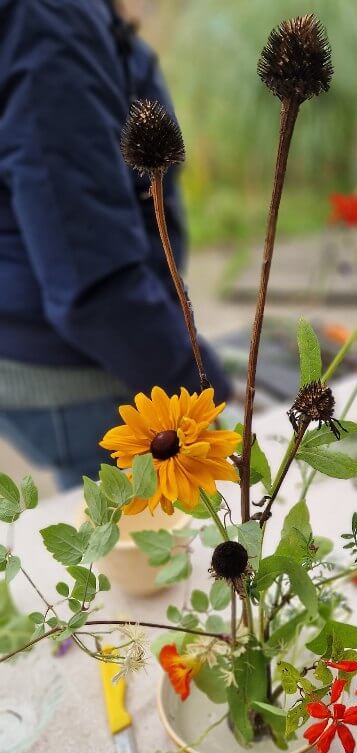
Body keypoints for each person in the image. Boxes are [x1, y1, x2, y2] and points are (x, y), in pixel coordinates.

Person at [0, 0, 231, 489]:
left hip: (52, 337)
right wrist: (200, 390)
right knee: (148, 547)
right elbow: (89, 272)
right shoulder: (50, 19)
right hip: (81, 363)